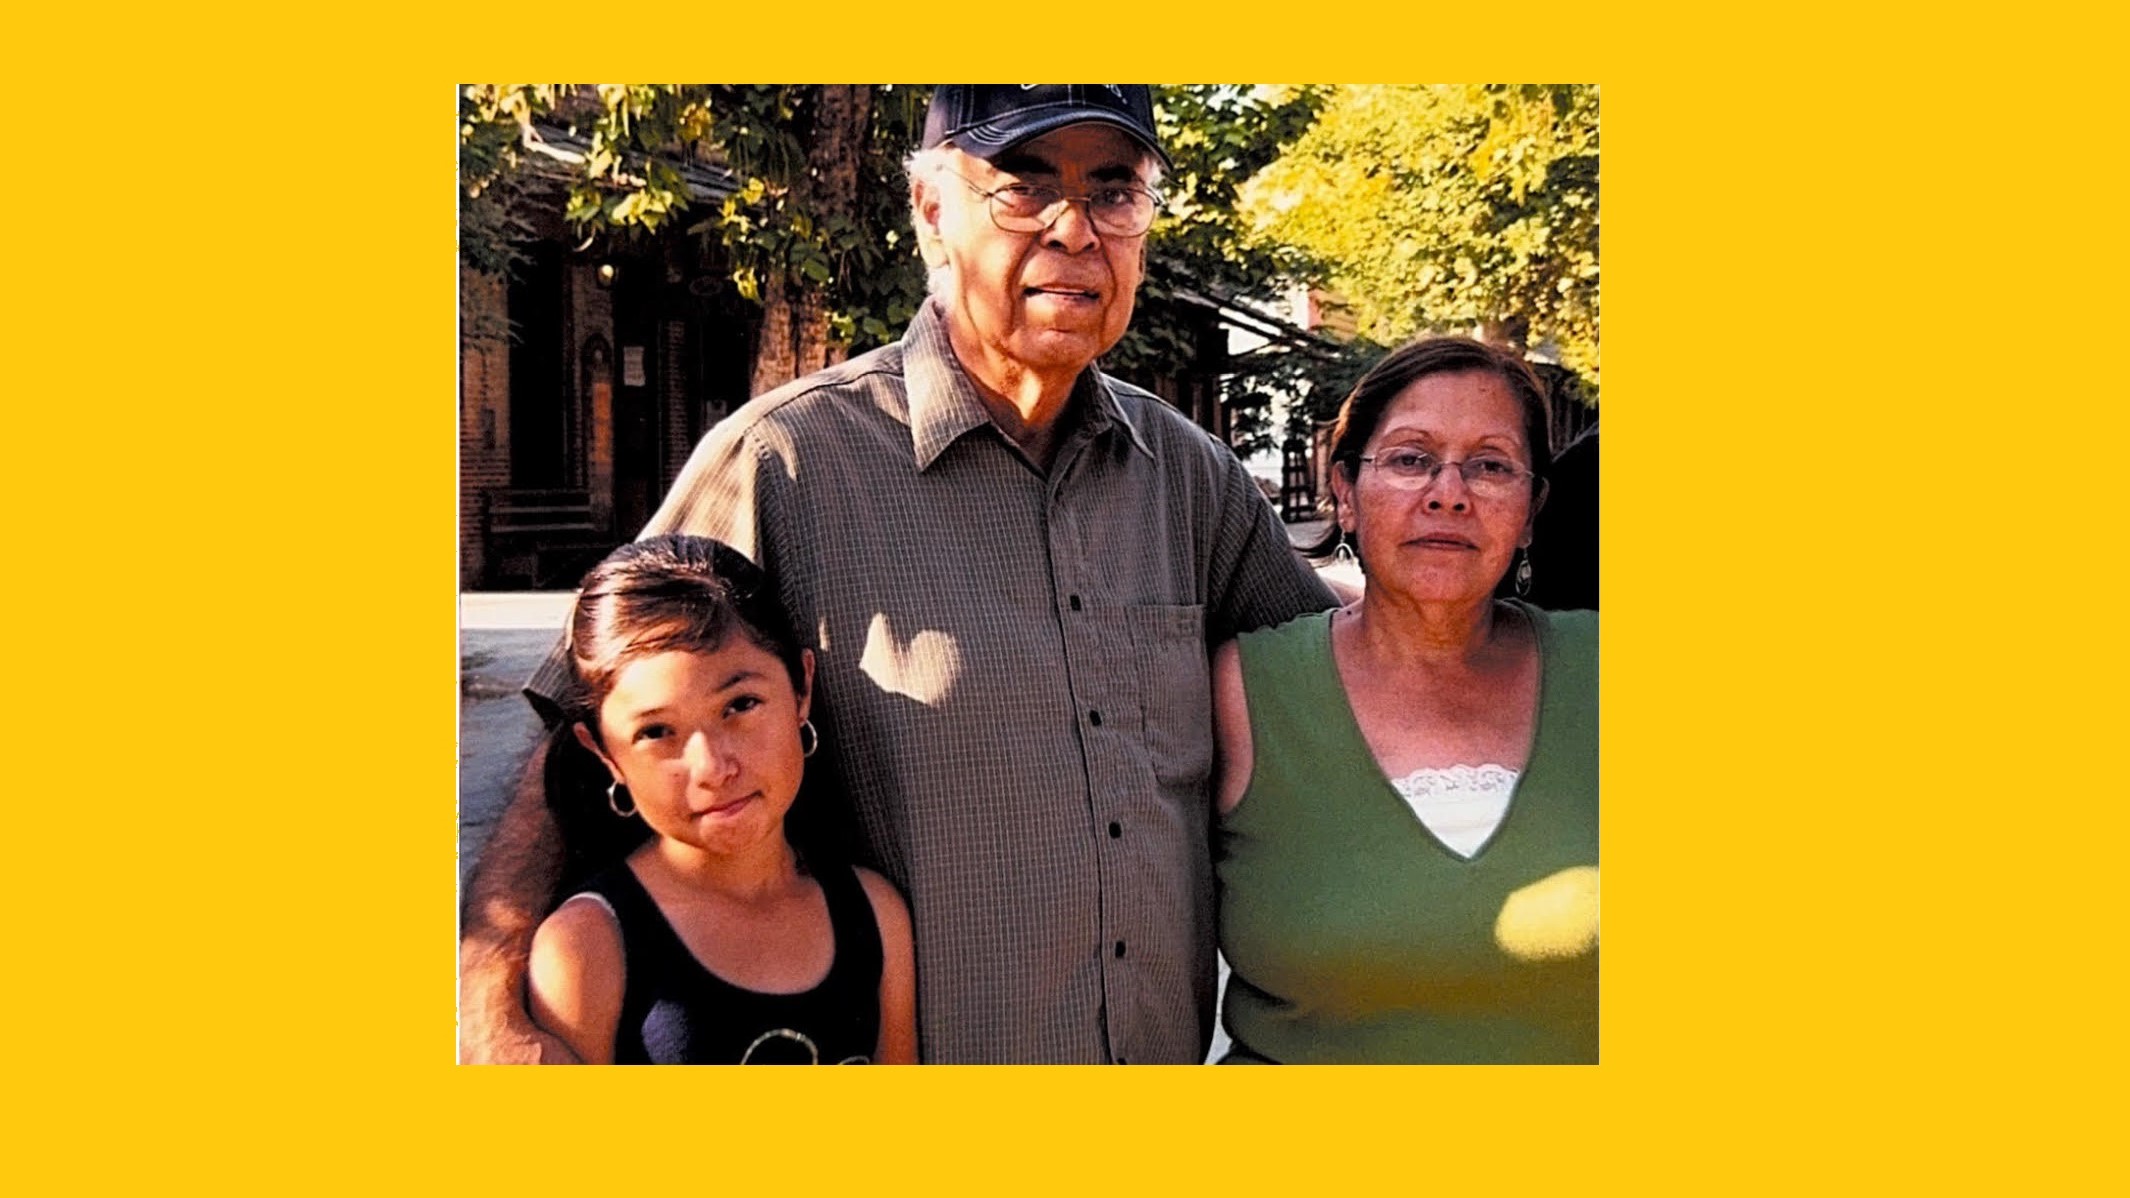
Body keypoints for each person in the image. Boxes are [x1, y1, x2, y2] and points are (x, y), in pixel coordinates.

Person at [460, 85, 1336, 1064]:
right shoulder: (785, 462)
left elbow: (1350, 693)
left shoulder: (1193, 481)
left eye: (1114, 191)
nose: (1075, 229)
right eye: (1024, 184)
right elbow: (582, 731)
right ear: (930, 213)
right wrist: (487, 1000)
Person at [1211, 337, 1598, 1063]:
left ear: (1532, 506)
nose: (1448, 493)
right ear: (1346, 493)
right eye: (1410, 459)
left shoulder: (1608, 671)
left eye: (1490, 466)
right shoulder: (1242, 691)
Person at [526, 536, 917, 1064]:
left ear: (801, 687)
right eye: (656, 731)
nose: (712, 767)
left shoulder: (875, 915)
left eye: (741, 704)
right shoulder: (586, 949)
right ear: (602, 753)